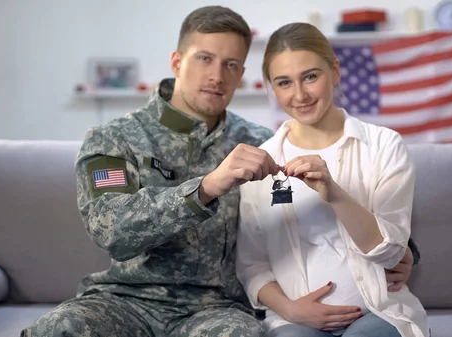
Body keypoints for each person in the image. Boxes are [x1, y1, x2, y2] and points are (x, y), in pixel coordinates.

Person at [21, 6, 419, 337]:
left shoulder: (263, 143)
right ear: (177, 61)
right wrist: (207, 187)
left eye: (231, 64)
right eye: (204, 59)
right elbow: (112, 233)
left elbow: (335, 208)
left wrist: (407, 253)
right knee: (60, 328)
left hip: (217, 309)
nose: (217, 75)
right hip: (126, 301)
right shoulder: (114, 139)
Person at [235, 22, 429, 337]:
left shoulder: (384, 145)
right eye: (284, 82)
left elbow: (392, 251)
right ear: (271, 86)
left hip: (378, 312)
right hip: (295, 323)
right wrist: (291, 310)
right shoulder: (262, 161)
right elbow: (251, 264)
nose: (299, 95)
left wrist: (335, 193)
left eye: (311, 76)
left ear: (334, 72)